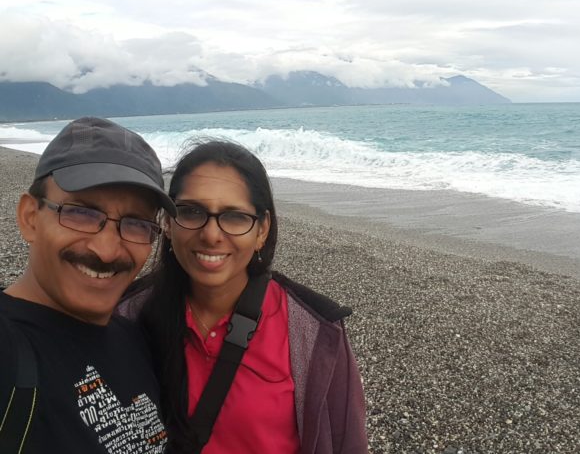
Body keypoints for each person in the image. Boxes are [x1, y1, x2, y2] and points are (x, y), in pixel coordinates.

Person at [126, 140, 367, 453]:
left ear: (262, 230)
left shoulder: (314, 332)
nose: (211, 235)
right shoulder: (126, 317)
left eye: (235, 216)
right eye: (191, 211)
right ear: (168, 223)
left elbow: (347, 443)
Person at [0, 117, 176, 453]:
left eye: (136, 224)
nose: (107, 250)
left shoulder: (134, 338)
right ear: (30, 218)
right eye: (80, 213)